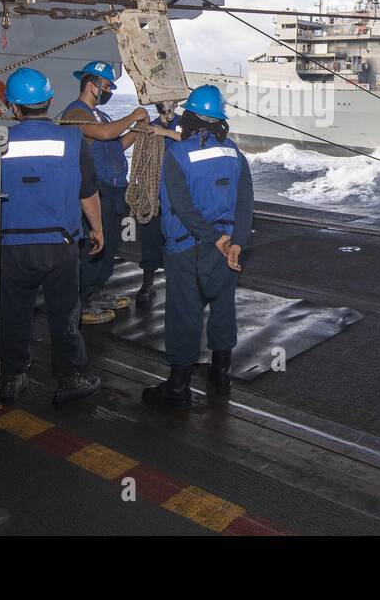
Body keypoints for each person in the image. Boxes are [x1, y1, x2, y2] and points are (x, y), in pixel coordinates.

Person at [0, 67, 106, 406]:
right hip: (60, 245)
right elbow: (87, 193)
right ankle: (70, 377)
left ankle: (13, 376)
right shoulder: (72, 140)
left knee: (14, 313)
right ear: (49, 100)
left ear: (14, 107)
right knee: (64, 314)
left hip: (12, 245)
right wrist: (98, 229)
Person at [142, 85, 253, 409]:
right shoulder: (235, 153)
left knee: (184, 314)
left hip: (186, 248)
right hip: (225, 249)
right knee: (223, 307)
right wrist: (236, 244)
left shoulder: (176, 154)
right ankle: (220, 375)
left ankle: (178, 387)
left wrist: (212, 238)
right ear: (220, 120)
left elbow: (182, 206)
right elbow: (246, 203)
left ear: (188, 117)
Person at [60, 60, 146, 322]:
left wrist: (137, 131)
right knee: (93, 244)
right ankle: (82, 299)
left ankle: (96, 290)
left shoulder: (102, 116)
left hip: (115, 188)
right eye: (106, 86)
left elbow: (116, 144)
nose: (109, 92)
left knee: (108, 245)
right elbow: (106, 134)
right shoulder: (75, 113)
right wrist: (133, 115)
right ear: (91, 85)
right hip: (96, 190)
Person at [133, 102, 181, 307]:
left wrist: (164, 132)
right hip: (154, 195)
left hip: (177, 197)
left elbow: (195, 141)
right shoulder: (149, 128)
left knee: (178, 240)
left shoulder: (184, 126)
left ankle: (178, 282)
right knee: (150, 236)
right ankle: (148, 281)